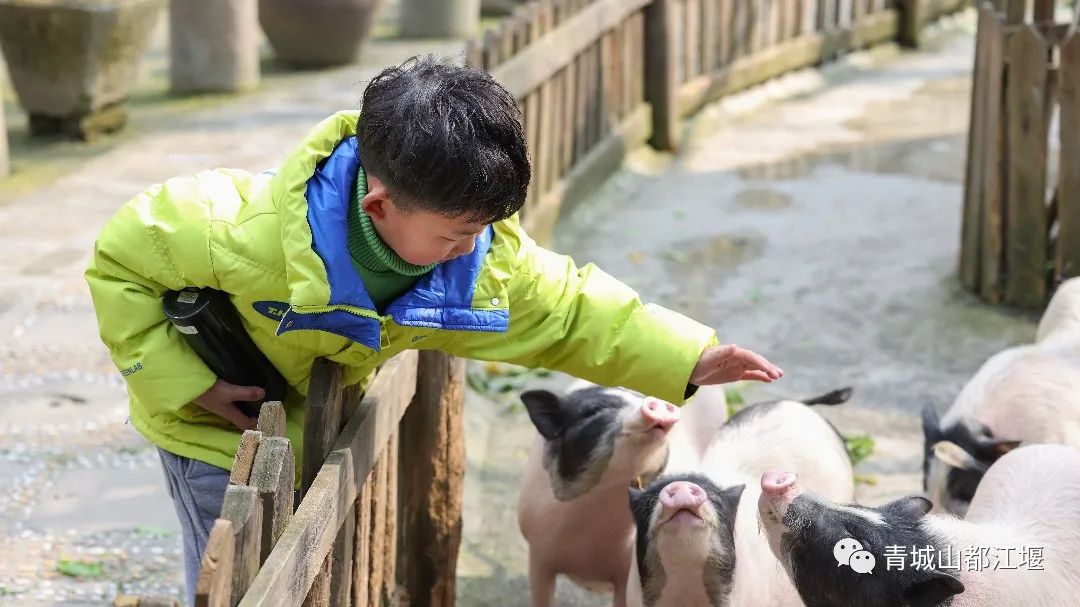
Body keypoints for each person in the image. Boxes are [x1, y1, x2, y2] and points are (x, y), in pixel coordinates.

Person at [84, 55, 782, 603]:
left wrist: (690, 353)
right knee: (236, 573)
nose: (471, 246)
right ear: (381, 204)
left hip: (310, 420)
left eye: (482, 228)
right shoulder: (235, 230)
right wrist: (188, 382)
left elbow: (569, 307)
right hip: (212, 432)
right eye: (456, 232)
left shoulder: (471, 261)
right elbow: (118, 259)